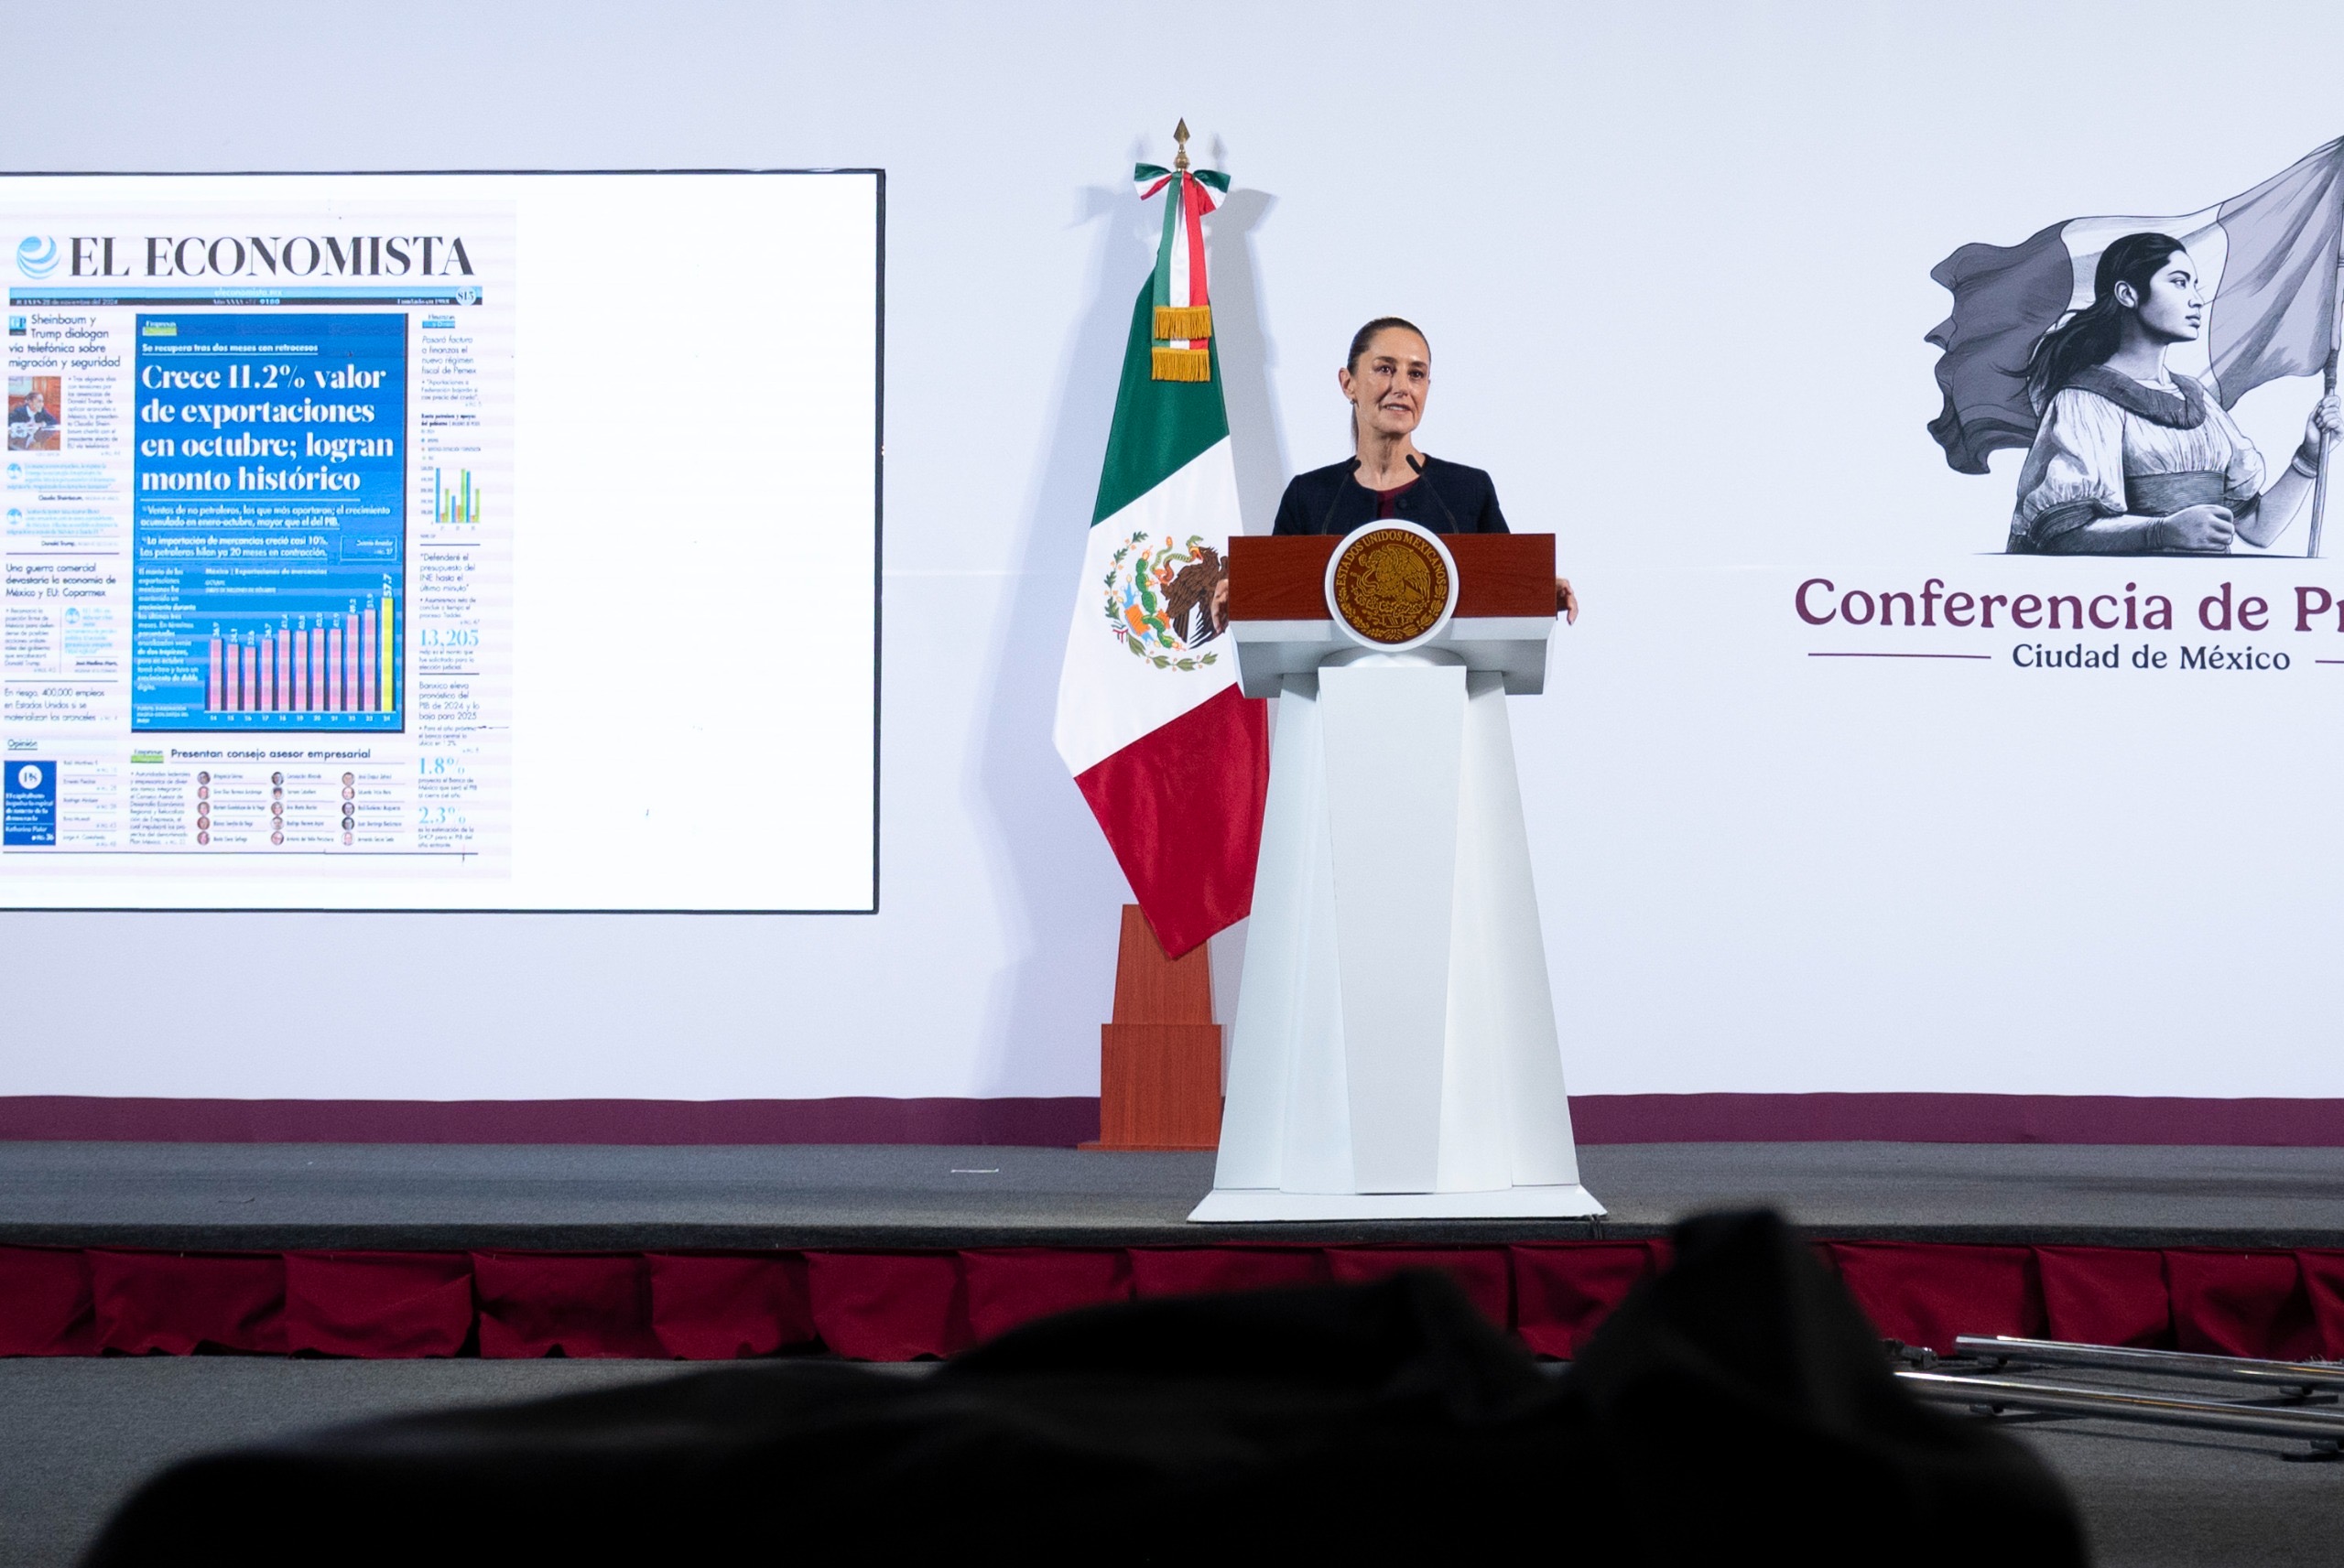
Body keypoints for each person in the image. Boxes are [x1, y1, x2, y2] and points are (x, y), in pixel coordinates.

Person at [2010, 232, 2344, 554]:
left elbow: (2258, 529)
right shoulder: (2085, 401)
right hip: (2128, 602)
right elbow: (2061, 535)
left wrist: (2310, 457)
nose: (2196, 299)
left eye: (2194, 285)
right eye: (2179, 282)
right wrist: (2161, 531)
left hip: (2213, 601)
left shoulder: (2197, 399)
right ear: (2128, 294)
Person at [1273, 318, 1577, 621]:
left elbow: (1505, 591)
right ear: (1347, 383)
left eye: (1416, 374)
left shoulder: (1467, 491)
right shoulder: (1308, 496)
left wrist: (1539, 593)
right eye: (1385, 369)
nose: (1402, 387)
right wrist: (1241, 594)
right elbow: (1273, 596)